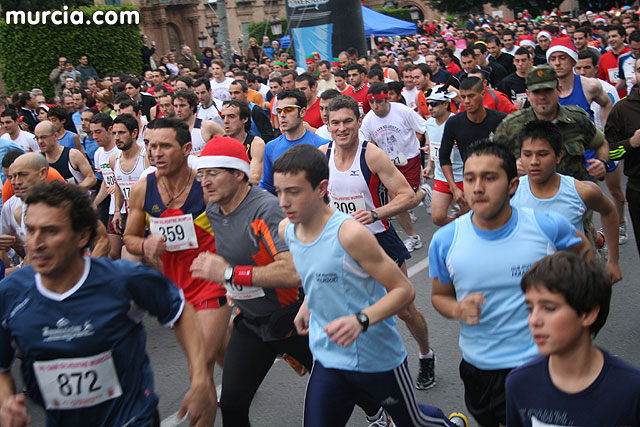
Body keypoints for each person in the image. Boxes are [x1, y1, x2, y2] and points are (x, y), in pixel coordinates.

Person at [272, 144, 468, 427]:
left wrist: (360, 321)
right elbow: (315, 270)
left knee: (415, 424)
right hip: (328, 359)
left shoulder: (351, 234)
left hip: (377, 359)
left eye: (293, 191)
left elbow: (404, 291)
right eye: (279, 191)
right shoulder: (287, 229)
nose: (283, 202)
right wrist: (307, 304)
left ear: (320, 188)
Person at [0, 180, 216, 427]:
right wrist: (6, 403)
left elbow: (180, 311)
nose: (36, 243)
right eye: (30, 230)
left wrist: (199, 379)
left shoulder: (122, 279)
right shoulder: (10, 293)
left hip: (131, 419)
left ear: (82, 236)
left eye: (51, 231)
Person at [429, 139, 591, 427]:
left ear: (513, 185)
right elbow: (439, 295)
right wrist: (457, 309)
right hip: (480, 368)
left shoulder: (547, 227)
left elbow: (584, 255)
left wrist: (572, 310)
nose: (477, 187)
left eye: (489, 178)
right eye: (469, 178)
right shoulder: (445, 241)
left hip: (542, 364)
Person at [189, 136, 309, 426]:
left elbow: (292, 271)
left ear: (239, 174)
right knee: (232, 403)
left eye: (213, 174)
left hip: (295, 319)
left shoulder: (266, 210)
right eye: (201, 174)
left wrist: (230, 275)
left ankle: (380, 410)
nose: (205, 182)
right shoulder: (214, 210)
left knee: (351, 384)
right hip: (252, 322)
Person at [322, 95, 437, 391]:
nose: (342, 128)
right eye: (335, 122)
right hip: (345, 244)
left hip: (379, 239)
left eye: (348, 121)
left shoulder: (371, 155)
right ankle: (370, 375)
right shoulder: (322, 155)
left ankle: (426, 353)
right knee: (349, 311)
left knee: (404, 309)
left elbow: (406, 195)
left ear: (359, 122)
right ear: (328, 124)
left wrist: (375, 212)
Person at [124, 117, 230, 398]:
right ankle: (241, 375)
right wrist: (145, 245)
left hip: (209, 281)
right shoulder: (142, 189)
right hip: (173, 288)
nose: (156, 153)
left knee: (201, 362)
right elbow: (129, 239)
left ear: (185, 149)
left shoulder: (205, 188)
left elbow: (233, 233)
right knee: (220, 351)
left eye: (165, 146)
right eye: (151, 145)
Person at [506, 252, 640, 426]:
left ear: (589, 313)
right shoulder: (519, 383)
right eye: (530, 308)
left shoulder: (630, 389)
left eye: (549, 308)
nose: (534, 320)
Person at [511, 120, 622, 284]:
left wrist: (613, 261)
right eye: (527, 154)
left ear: (558, 156)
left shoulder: (581, 191)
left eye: (542, 154)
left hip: (573, 284)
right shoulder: (511, 192)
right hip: (528, 287)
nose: (534, 161)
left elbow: (609, 211)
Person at [493, 66, 609, 183]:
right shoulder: (511, 125)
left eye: (547, 90)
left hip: (573, 195)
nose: (542, 97)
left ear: (558, 90)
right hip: (529, 197)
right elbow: (492, 160)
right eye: (536, 92)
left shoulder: (576, 119)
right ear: (528, 94)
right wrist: (512, 167)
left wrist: (602, 163)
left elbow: (601, 143)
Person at [360, 82, 431, 252]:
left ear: (387, 99)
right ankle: (413, 237)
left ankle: (424, 191)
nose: (375, 106)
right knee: (399, 203)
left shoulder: (402, 111)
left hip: (409, 160)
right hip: (388, 165)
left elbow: (425, 127)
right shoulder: (369, 119)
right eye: (371, 103)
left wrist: (428, 144)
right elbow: (363, 143)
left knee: (410, 201)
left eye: (379, 102)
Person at [439, 76, 507, 211]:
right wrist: (454, 188)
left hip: (497, 178)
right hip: (470, 179)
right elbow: (444, 156)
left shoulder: (500, 120)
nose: (466, 101)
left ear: (483, 94)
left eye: (471, 96)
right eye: (463, 97)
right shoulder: (454, 123)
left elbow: (512, 153)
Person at [259, 89, 330, 194]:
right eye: (279, 111)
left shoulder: (323, 145)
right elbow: (267, 185)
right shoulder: (271, 147)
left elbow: (332, 185)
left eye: (288, 110)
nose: (282, 115)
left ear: (302, 112)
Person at [604, 56, 640, 258]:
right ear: (635, 75)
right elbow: (609, 152)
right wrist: (630, 144)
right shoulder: (623, 109)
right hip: (637, 185)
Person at [423, 85, 464, 226]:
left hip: (461, 177)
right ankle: (459, 226)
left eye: (433, 104)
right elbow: (432, 145)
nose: (429, 108)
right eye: (428, 104)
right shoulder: (429, 124)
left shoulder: (458, 122)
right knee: (438, 218)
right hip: (441, 177)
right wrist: (429, 165)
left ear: (446, 104)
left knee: (469, 216)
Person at [35, 121, 95, 189]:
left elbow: (91, 177)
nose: (40, 142)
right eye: (37, 138)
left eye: (44, 137)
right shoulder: (38, 160)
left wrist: (73, 191)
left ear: (55, 136)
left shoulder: (73, 155)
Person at [221, 99, 265, 184]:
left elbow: (255, 179)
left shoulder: (256, 143)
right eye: (223, 117)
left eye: (231, 116)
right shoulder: (218, 144)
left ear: (245, 119)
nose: (226, 121)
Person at [173, 89, 224, 156]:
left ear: (192, 107)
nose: (178, 110)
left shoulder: (208, 126)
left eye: (182, 105)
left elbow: (229, 143)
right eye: (176, 106)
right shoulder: (172, 130)